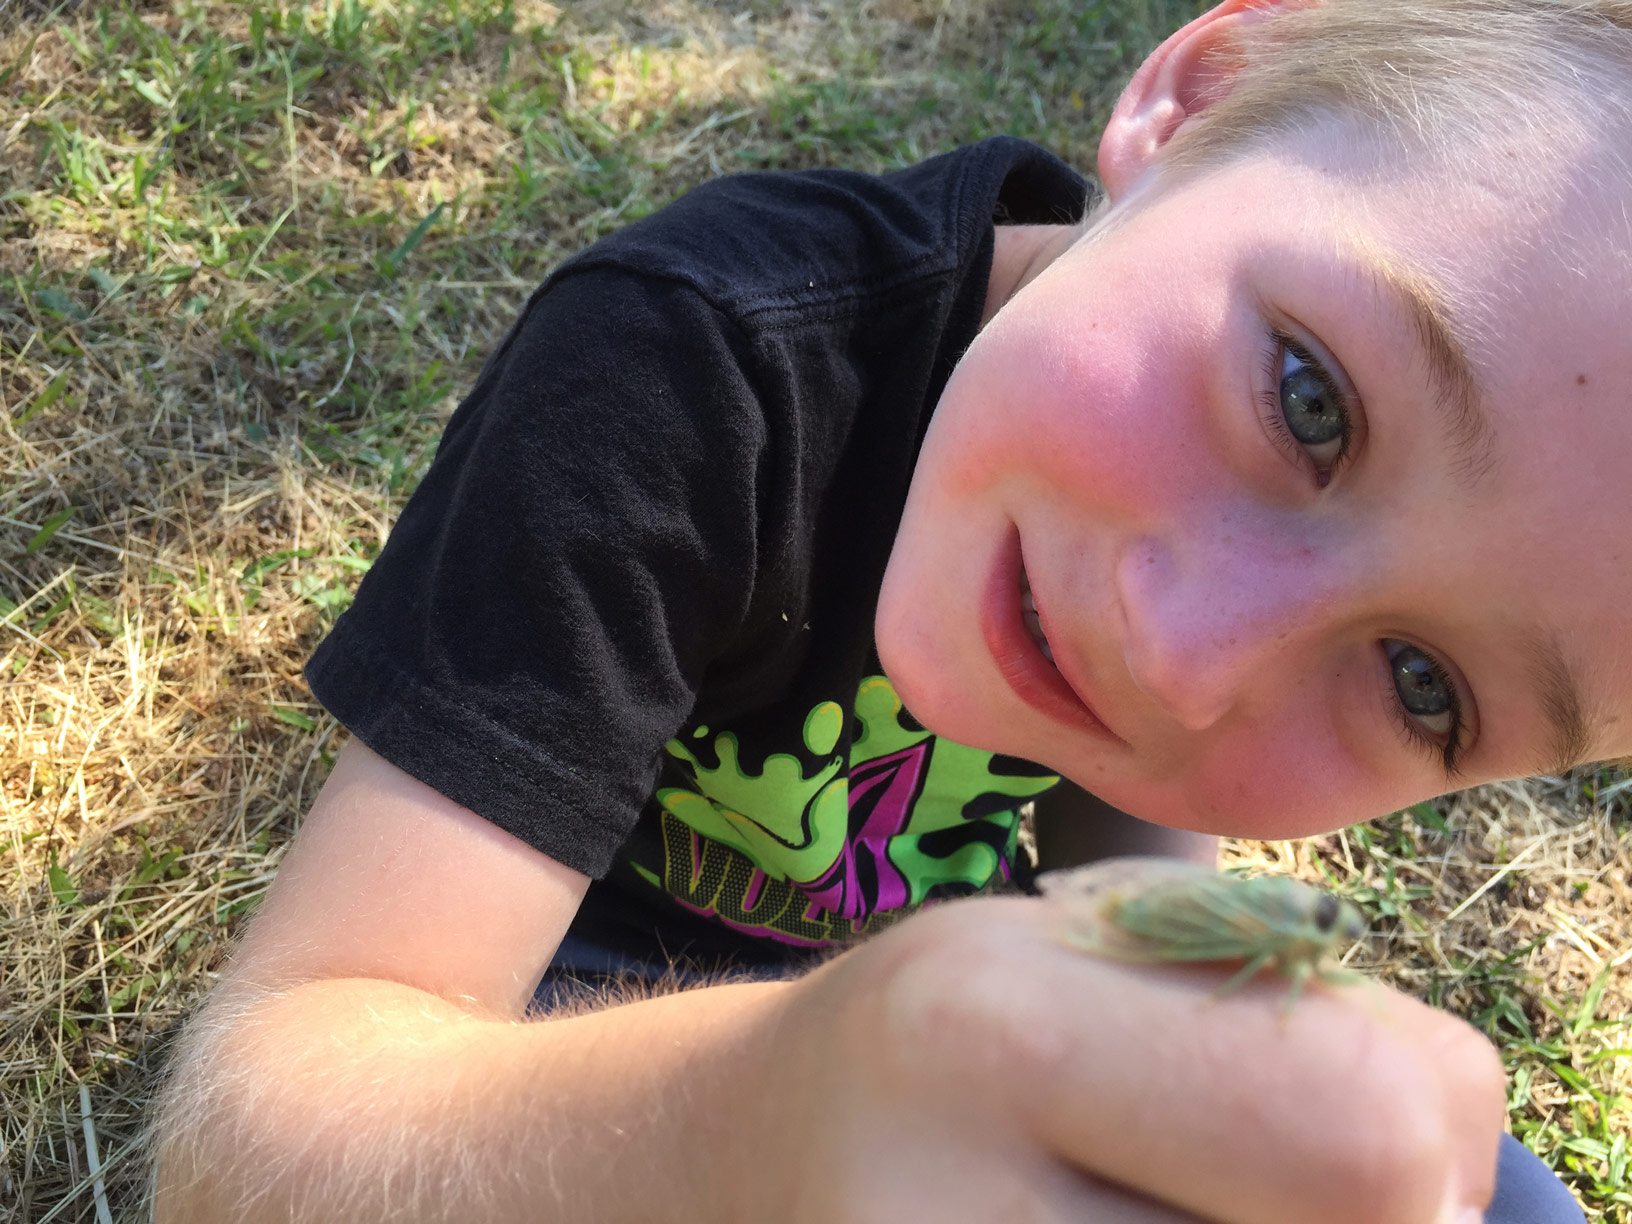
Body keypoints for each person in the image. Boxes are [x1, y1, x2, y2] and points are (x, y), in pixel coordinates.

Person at [150, 0, 1630, 1219]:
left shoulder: (1140, 594)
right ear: (1198, 97)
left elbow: (1119, 899)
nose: (1188, 666)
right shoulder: (690, 366)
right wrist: (759, 1120)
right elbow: (251, 1141)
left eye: (1422, 683)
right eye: (1309, 400)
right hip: (551, 1048)